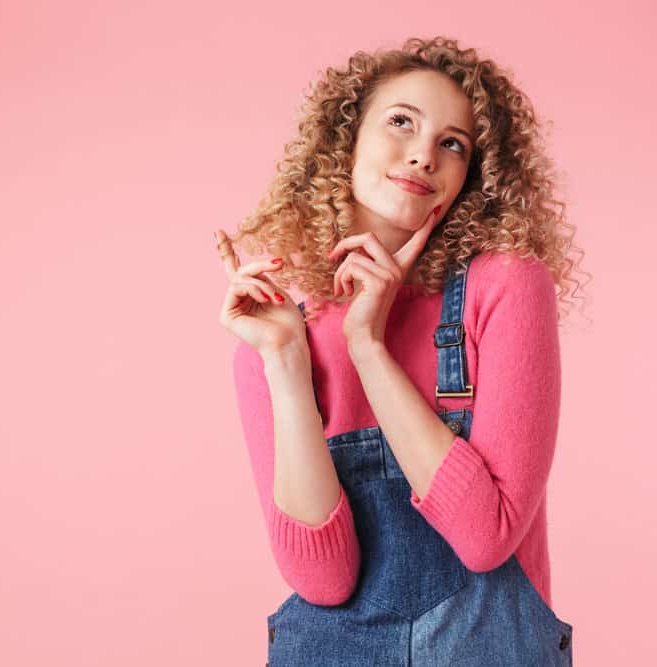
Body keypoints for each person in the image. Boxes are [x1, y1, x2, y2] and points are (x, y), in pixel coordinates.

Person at [215, 36, 587, 666]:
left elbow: (485, 536)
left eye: (452, 144)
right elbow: (323, 581)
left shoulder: (505, 285)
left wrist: (368, 346)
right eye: (400, 123)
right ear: (345, 142)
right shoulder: (278, 337)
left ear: (471, 176)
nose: (422, 155)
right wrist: (284, 362)